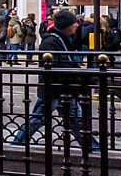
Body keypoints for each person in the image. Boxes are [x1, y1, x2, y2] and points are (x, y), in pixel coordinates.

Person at [10, 9, 97, 151]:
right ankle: (16, 144)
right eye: (73, 22)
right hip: (55, 89)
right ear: (66, 25)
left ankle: (92, 148)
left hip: (63, 88)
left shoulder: (62, 39)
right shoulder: (52, 41)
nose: (76, 25)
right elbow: (57, 67)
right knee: (40, 118)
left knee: (74, 120)